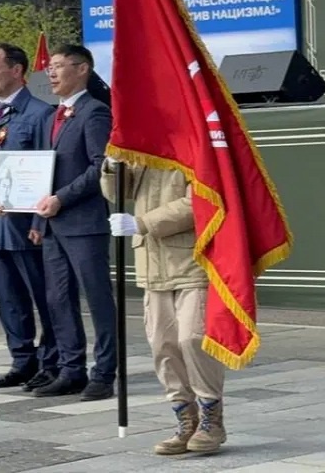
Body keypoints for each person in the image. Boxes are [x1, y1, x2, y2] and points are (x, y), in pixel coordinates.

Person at [102, 159, 226, 454]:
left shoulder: (193, 149)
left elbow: (201, 199)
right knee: (162, 344)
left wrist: (142, 223)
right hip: (152, 264)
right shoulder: (139, 151)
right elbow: (119, 192)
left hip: (192, 261)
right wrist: (111, 167)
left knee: (193, 338)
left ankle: (211, 417)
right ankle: (185, 418)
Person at [31, 44, 117, 401]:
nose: (51, 73)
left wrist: (61, 199)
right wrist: (36, 216)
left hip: (83, 223)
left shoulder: (94, 112)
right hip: (52, 224)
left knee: (97, 298)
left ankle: (105, 372)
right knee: (58, 299)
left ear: (82, 69)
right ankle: (71, 370)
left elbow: (100, 167)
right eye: (49, 67)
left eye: (58, 66)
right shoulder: (52, 116)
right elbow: (42, 170)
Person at [0, 42, 58, 392]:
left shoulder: (40, 113)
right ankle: (22, 360)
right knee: (8, 297)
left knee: (44, 296)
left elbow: (48, 171)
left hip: (26, 226)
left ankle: (52, 361)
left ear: (17, 70)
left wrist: (39, 222)